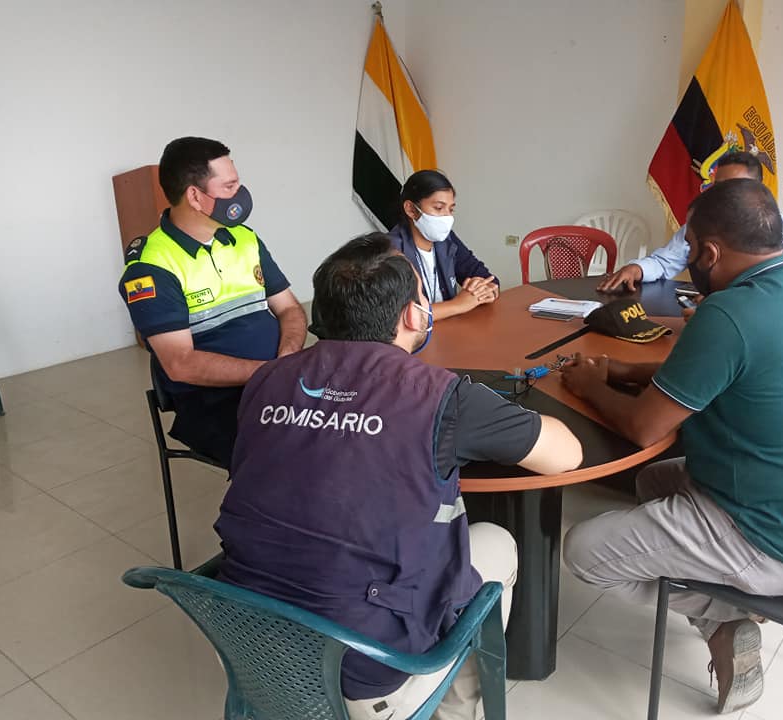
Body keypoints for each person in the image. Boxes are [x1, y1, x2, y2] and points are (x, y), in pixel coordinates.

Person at [215, 233, 582, 720]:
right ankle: (453, 710)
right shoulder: (440, 396)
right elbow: (566, 455)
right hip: (362, 675)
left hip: (250, 645)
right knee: (497, 542)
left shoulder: (268, 377)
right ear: (414, 315)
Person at [560, 179, 783, 714]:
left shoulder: (726, 312)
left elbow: (645, 427)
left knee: (583, 550)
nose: (689, 260)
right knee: (651, 480)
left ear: (711, 253)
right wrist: (621, 370)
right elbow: (720, 367)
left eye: (692, 248)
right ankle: (723, 595)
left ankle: (725, 616)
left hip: (769, 538)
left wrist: (590, 386)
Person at [118, 137, 306, 466]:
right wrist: (267, 373)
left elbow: (289, 308)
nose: (241, 193)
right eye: (230, 186)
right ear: (195, 196)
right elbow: (180, 363)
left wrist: (287, 356)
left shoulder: (244, 238)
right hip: (212, 399)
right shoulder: (151, 266)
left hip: (277, 375)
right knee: (293, 452)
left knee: (355, 420)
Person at [598, 151, 783, 293]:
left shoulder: (782, 229)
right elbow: (664, 261)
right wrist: (637, 269)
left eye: (734, 187)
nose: (722, 195)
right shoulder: (701, 224)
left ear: (757, 189)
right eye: (718, 186)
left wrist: (724, 304)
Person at [388, 170, 499, 319]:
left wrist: (485, 290)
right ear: (411, 209)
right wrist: (459, 304)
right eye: (439, 208)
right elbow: (398, 316)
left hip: (450, 327)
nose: (448, 217)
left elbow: (486, 277)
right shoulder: (389, 250)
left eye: (451, 209)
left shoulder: (447, 239)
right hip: (414, 334)